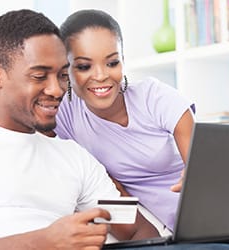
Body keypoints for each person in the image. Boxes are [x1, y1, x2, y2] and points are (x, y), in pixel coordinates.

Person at [0, 9, 163, 250]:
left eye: (63, 75)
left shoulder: (75, 158)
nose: (57, 90)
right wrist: (44, 241)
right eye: (40, 76)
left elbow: (139, 230)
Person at [46, 8, 195, 233]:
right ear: (65, 70)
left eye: (112, 63)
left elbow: (201, 169)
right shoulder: (65, 114)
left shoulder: (155, 98)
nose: (100, 75)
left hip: (214, 214)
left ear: (123, 61)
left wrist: (195, 174)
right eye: (84, 66)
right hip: (173, 230)